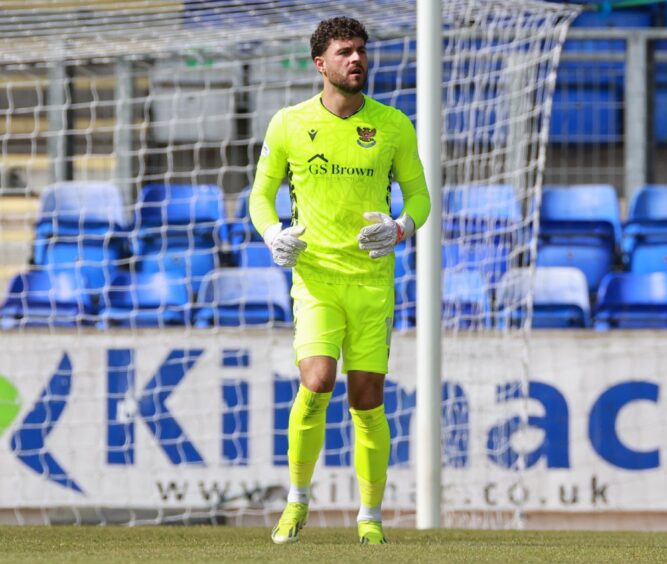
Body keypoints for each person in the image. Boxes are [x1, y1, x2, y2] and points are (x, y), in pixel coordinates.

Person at [249, 16, 431, 545]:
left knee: (367, 400)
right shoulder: (288, 123)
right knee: (317, 381)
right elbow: (260, 196)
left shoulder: (393, 124)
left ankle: (370, 517)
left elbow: (420, 196)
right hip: (316, 279)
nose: (357, 60)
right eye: (345, 52)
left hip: (373, 283)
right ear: (320, 64)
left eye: (361, 51)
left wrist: (401, 227)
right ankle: (297, 502)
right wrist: (270, 233)